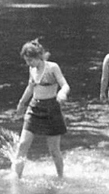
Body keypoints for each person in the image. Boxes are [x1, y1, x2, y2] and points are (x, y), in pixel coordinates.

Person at [12, 39, 70, 178]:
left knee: (54, 150)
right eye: (26, 61)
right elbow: (30, 87)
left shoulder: (52, 67)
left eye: (30, 60)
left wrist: (62, 93)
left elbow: (65, 85)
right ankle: (16, 178)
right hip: (34, 108)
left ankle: (61, 177)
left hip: (51, 109)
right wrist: (21, 103)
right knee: (23, 144)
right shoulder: (32, 69)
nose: (28, 63)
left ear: (38, 56)